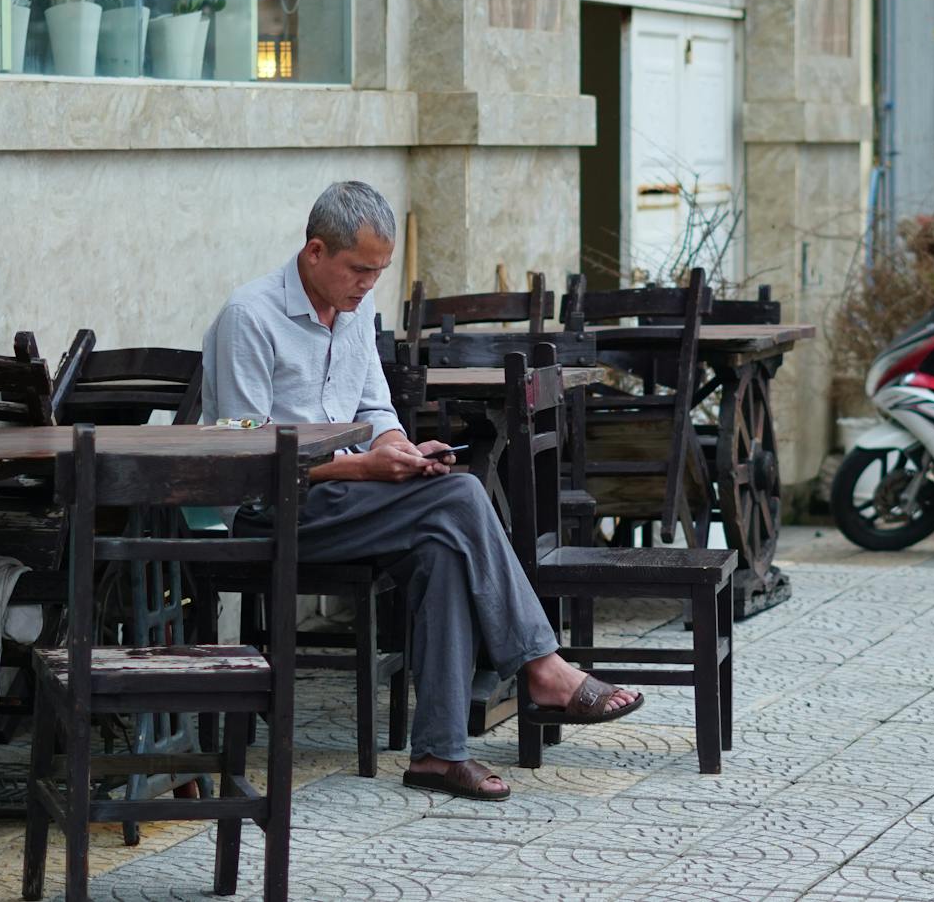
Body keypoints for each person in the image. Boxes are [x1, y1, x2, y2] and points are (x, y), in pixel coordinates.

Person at [201, 180, 640, 801]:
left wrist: (398, 448)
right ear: (315, 252)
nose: (366, 285)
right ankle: (543, 666)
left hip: (348, 502)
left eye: (378, 273)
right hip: (271, 509)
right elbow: (242, 448)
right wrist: (364, 469)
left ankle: (437, 754)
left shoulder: (353, 316)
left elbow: (376, 407)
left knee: (442, 545)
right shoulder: (250, 317)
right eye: (358, 270)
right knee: (459, 499)